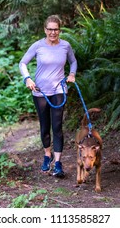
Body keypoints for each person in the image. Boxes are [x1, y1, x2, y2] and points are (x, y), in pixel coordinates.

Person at [19, 15, 77, 177]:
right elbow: (22, 63)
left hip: (59, 90)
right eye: (50, 29)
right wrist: (27, 78)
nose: (53, 32)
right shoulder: (38, 46)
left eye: (56, 29)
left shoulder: (65, 46)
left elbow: (73, 61)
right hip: (40, 91)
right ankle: (47, 155)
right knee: (45, 127)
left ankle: (58, 163)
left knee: (57, 127)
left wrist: (72, 74)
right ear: (45, 30)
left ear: (60, 30)